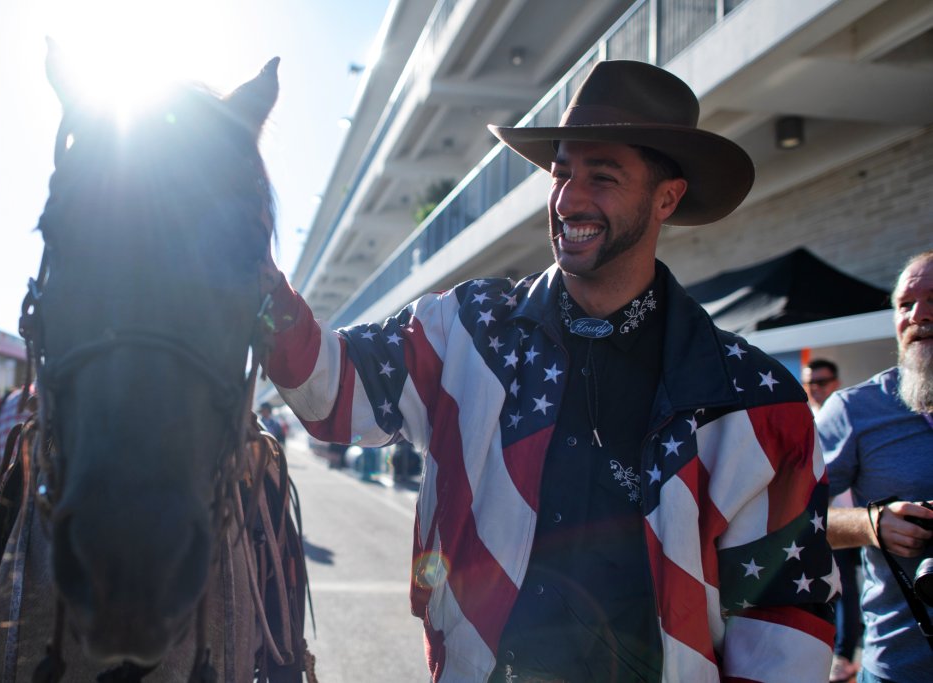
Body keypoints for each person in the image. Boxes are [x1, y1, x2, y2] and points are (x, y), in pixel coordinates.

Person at [261, 60, 834, 682]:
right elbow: (334, 392)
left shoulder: (752, 401)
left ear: (668, 198)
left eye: (603, 175)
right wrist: (252, 276)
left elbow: (782, 626)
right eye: (561, 172)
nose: (568, 198)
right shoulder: (470, 328)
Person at [821, 250, 933, 683]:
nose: (919, 314)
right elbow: (784, 514)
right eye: (906, 304)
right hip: (904, 666)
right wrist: (872, 524)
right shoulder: (855, 409)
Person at [804, 358, 864, 682]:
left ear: (836, 382)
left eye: (822, 382)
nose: (816, 388)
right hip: (822, 522)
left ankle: (845, 654)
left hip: (853, 520)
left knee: (849, 591)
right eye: (811, 382)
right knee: (831, 588)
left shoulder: (846, 413)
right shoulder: (805, 417)